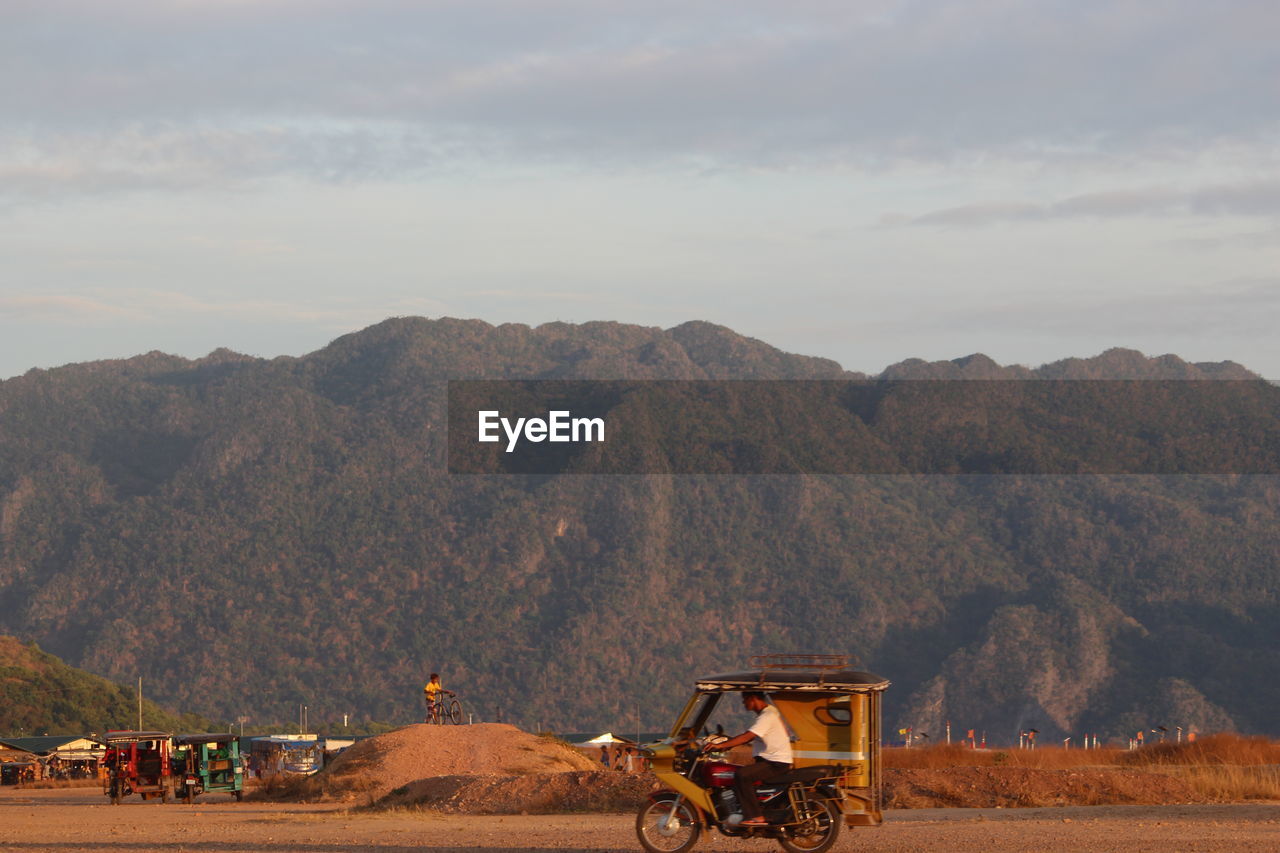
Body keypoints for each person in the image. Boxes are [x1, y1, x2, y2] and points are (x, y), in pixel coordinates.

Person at [703, 691, 792, 827]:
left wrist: (720, 745)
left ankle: (756, 816)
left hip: (776, 762)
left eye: (745, 699)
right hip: (771, 759)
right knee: (740, 772)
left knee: (742, 775)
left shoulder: (767, 716)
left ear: (753, 698)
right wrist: (727, 745)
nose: (743, 703)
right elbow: (751, 737)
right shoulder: (768, 712)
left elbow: (747, 736)